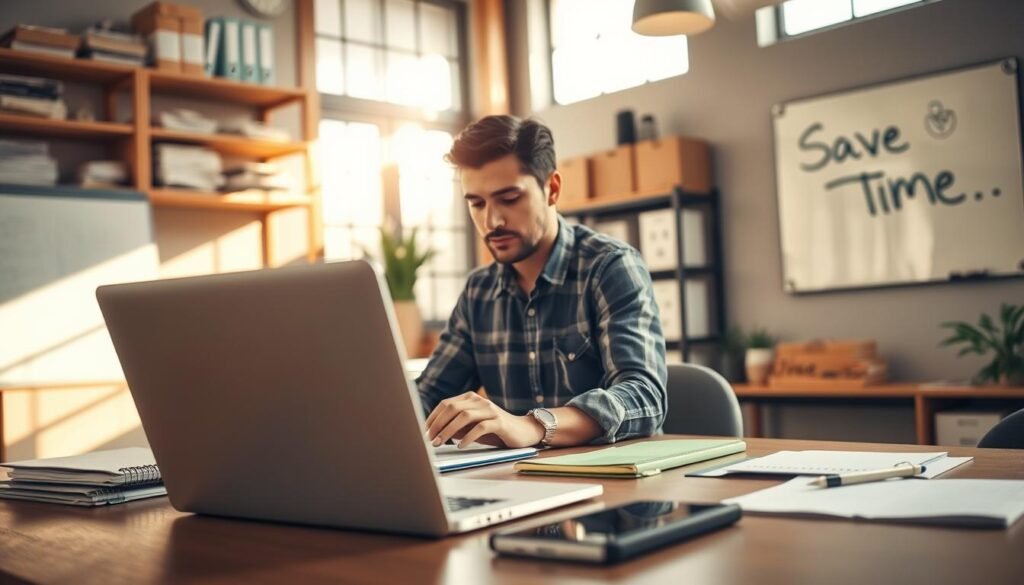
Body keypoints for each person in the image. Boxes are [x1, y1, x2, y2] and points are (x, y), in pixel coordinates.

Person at [418, 115, 666, 449]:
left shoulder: (610, 267)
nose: (492, 221)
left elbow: (644, 396)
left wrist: (533, 426)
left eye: (509, 199)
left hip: (618, 482)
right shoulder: (478, 291)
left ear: (552, 188)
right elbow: (429, 396)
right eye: (477, 203)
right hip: (517, 484)